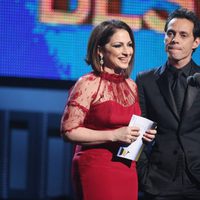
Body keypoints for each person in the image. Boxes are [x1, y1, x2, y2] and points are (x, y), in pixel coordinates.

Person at [60, 19, 156, 200]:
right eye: (118, 46)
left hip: (127, 169)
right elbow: (68, 131)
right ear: (100, 50)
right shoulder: (88, 83)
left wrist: (143, 136)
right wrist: (114, 135)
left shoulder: (131, 86)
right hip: (96, 168)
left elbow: (128, 130)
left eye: (129, 45)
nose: (127, 52)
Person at [136, 8, 200, 200]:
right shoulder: (145, 80)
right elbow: (136, 132)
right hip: (158, 181)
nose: (174, 39)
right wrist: (143, 175)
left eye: (183, 35)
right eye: (170, 33)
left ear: (196, 42)